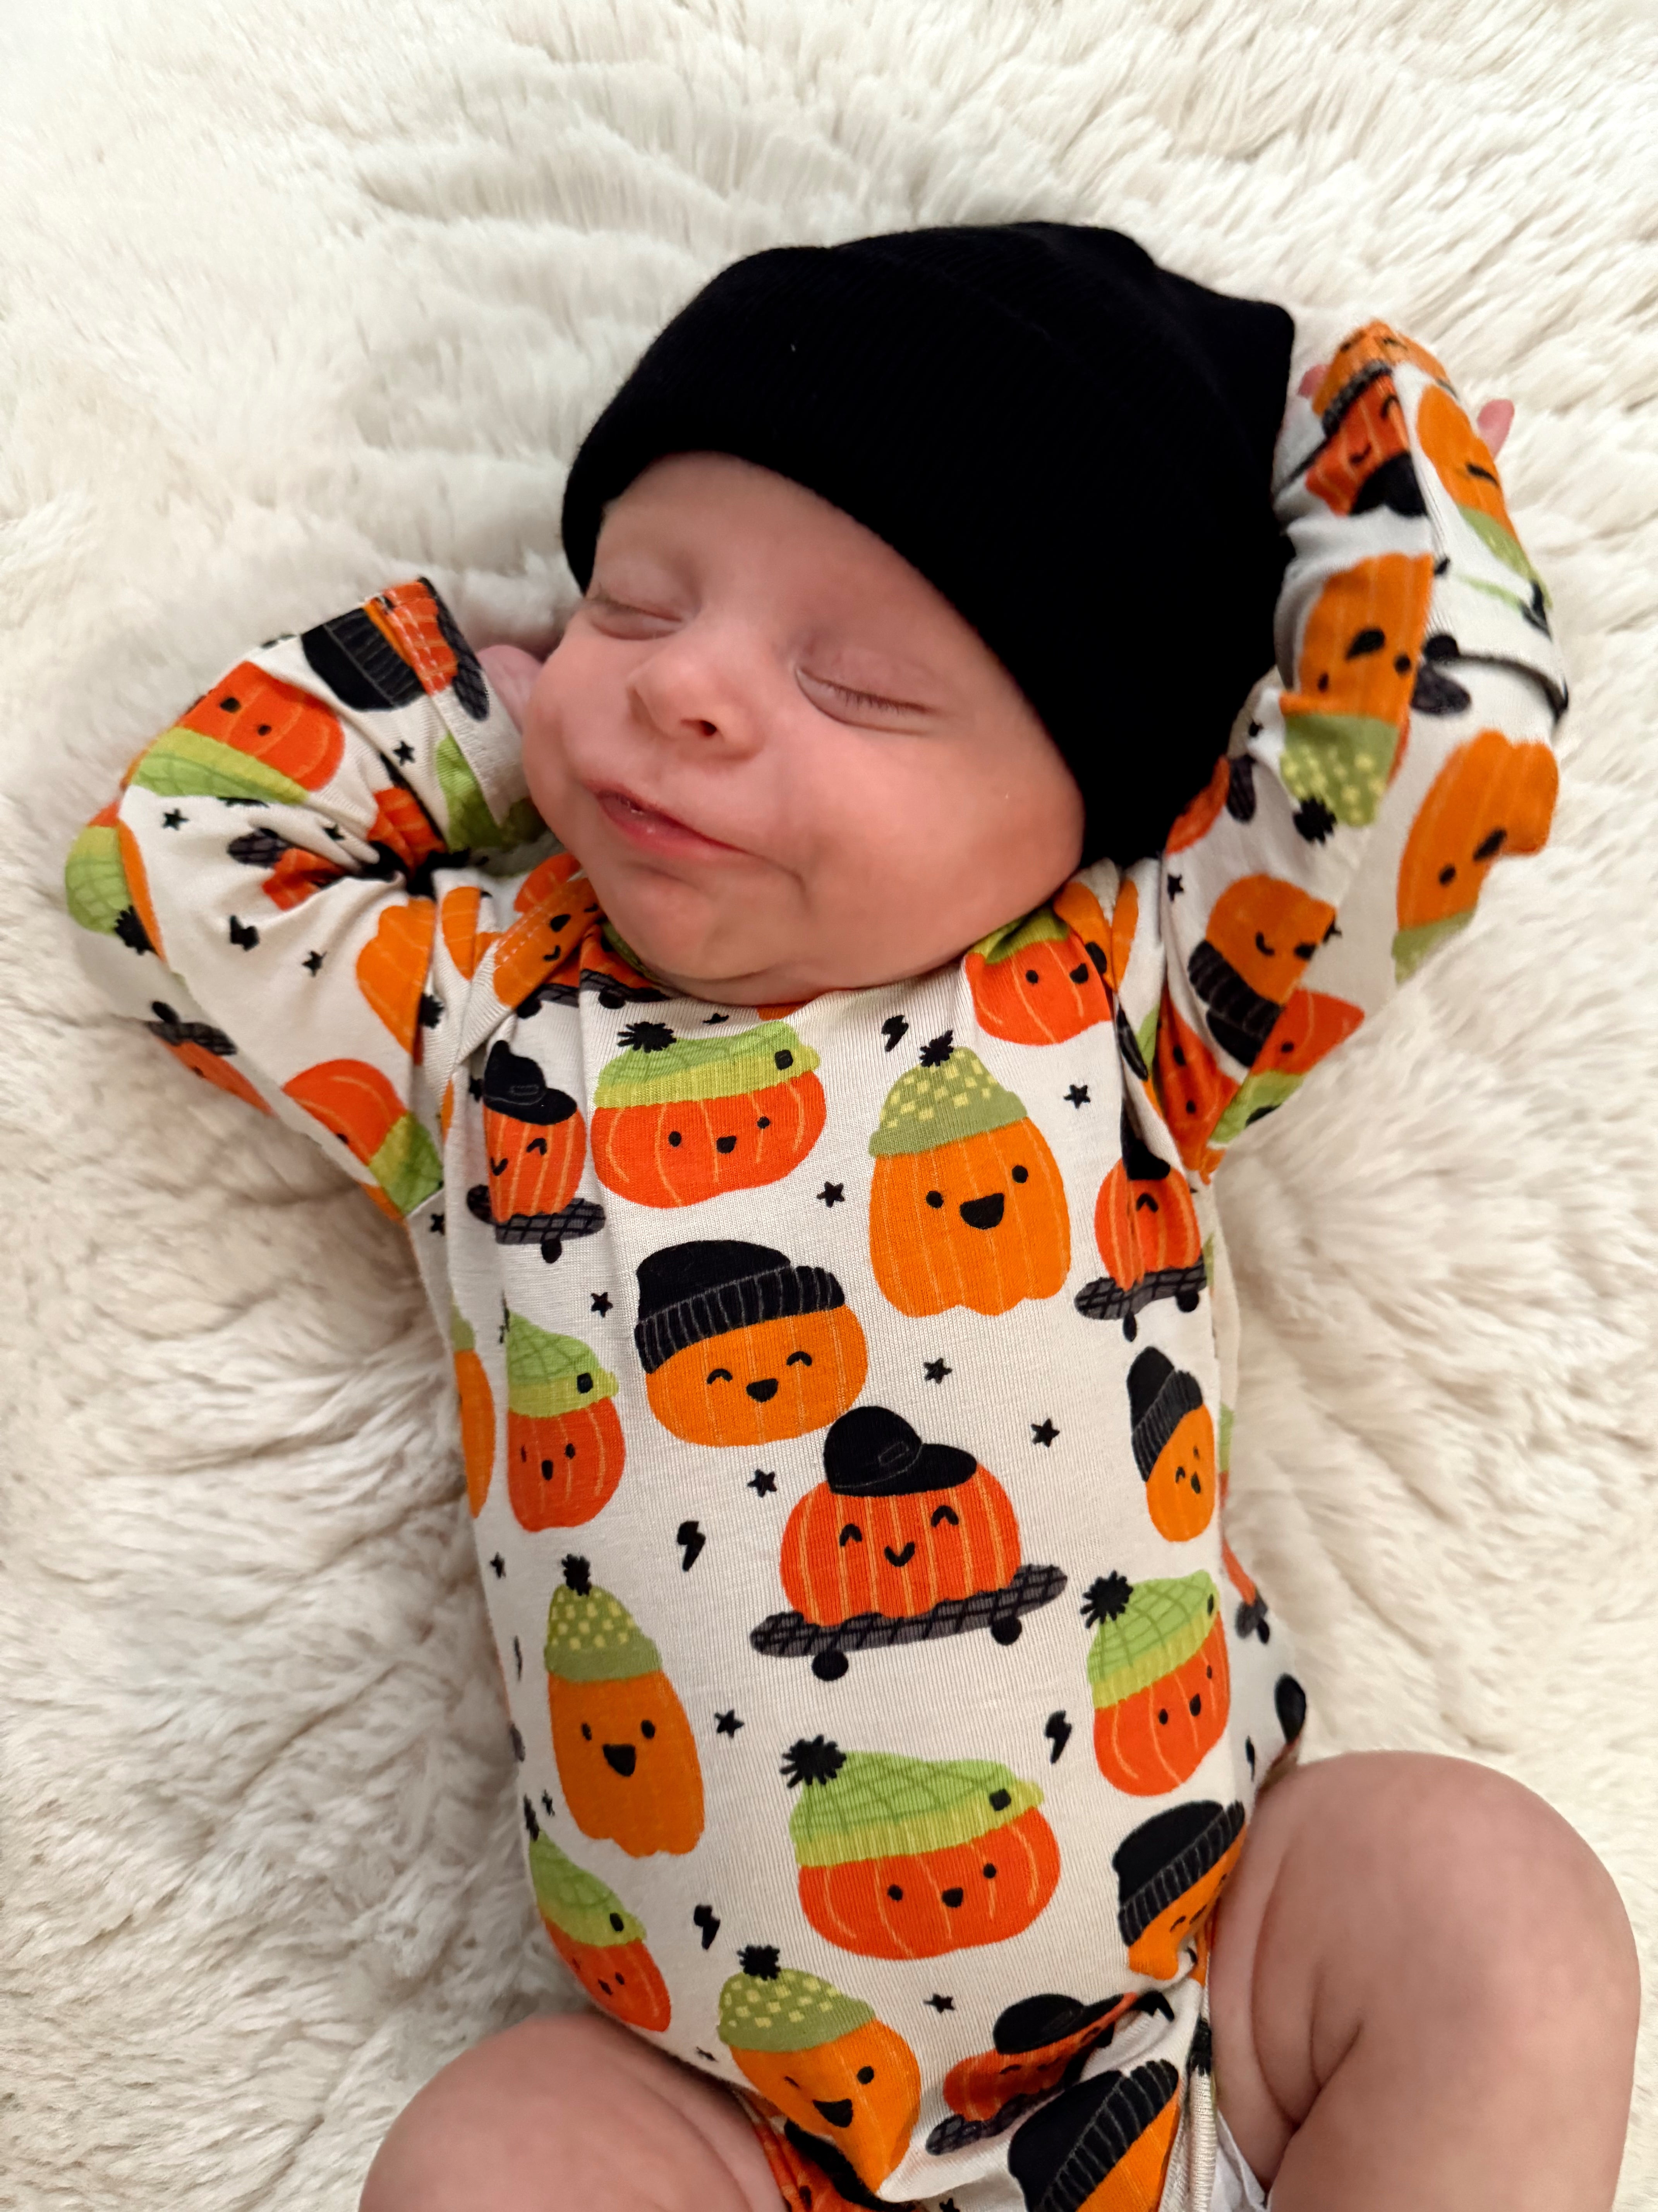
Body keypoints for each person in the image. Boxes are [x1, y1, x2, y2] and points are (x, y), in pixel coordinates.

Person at [64, 226, 1638, 2212]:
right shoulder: (481, 1027)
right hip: (729, 2126)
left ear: (1080, 796)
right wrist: (500, 687)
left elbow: (1428, 760)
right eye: (638, 602)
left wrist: (1363, 446)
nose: (694, 692)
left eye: (857, 683)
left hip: (1208, 2001)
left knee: (1497, 1917)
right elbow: (172, 872)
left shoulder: (1131, 997)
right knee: (487, 2159)